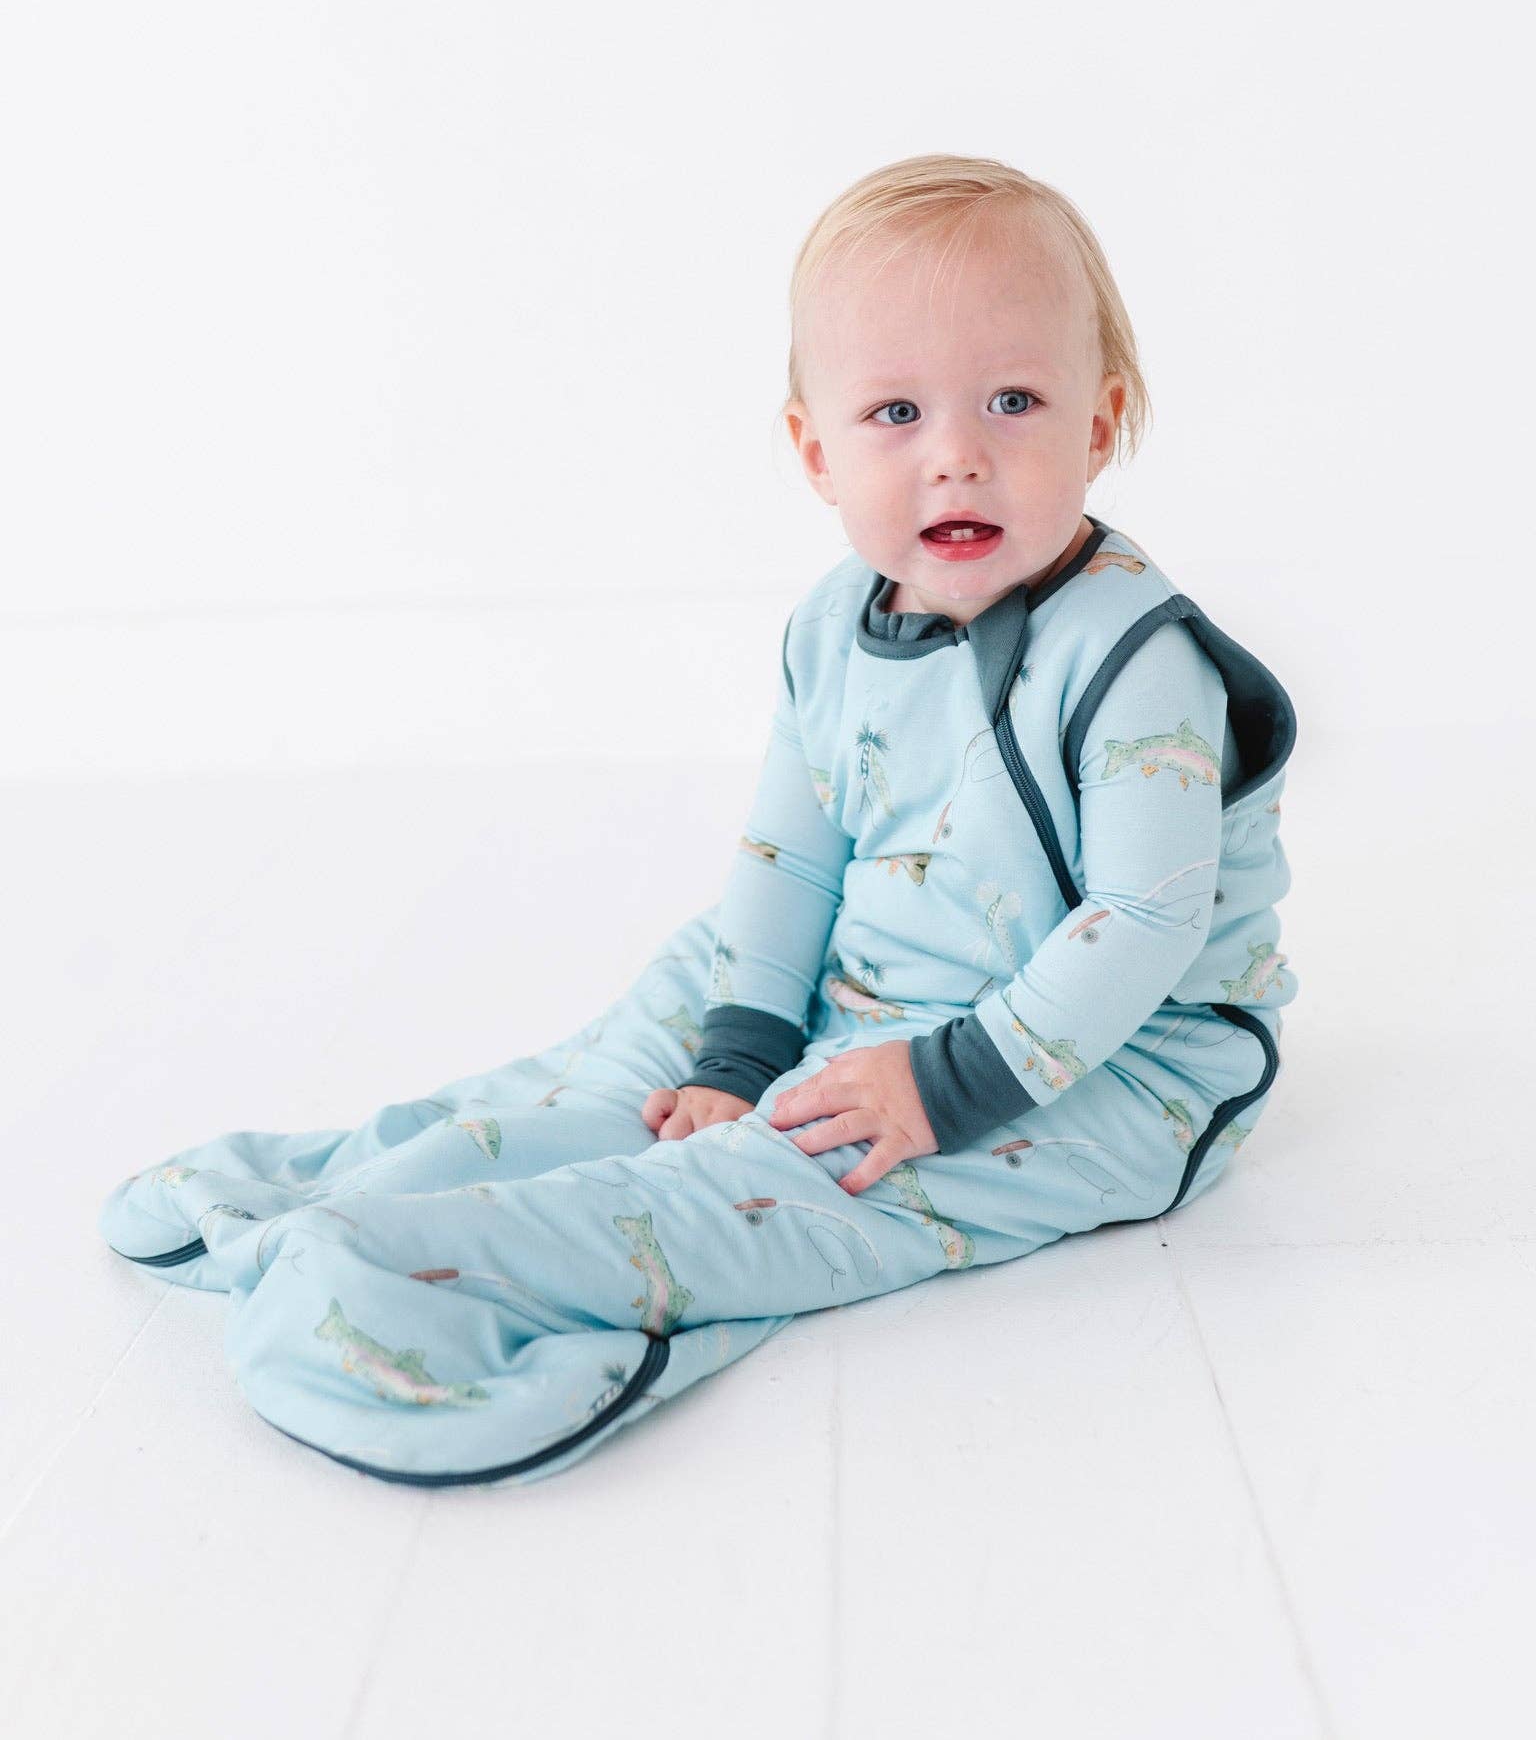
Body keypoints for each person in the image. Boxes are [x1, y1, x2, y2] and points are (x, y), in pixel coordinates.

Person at [98, 153, 1296, 1487]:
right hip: (884, 968)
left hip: (1109, 1058)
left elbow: (1142, 920)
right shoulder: (834, 623)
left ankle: (412, 1287)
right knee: (662, 1029)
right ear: (816, 451)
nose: (958, 452)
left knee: (776, 1186)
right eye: (896, 411)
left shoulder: (1136, 660)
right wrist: (740, 1045)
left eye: (1014, 400)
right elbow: (794, 857)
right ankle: (350, 1186)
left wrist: (938, 1083)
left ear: (1102, 419)